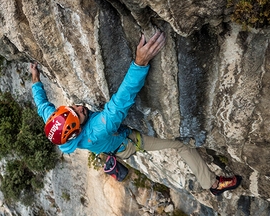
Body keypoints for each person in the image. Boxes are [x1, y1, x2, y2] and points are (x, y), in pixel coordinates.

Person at [30, 30, 241, 196]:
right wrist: (139, 63)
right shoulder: (98, 128)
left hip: (115, 140)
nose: (79, 107)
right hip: (130, 143)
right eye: (78, 114)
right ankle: (212, 184)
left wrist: (35, 78)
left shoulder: (58, 123)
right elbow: (120, 102)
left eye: (72, 108)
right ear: (76, 131)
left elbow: (42, 105)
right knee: (181, 144)